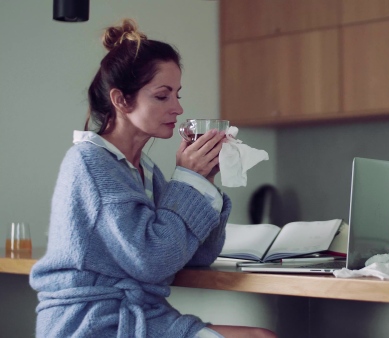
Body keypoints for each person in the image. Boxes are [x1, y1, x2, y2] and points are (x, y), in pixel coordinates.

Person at [29, 18, 276, 338]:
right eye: (162, 96)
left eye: (177, 94)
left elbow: (198, 257)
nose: (177, 108)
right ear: (121, 100)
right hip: (92, 322)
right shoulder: (89, 163)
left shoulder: (144, 170)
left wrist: (204, 182)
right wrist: (188, 181)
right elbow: (152, 262)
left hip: (144, 316)